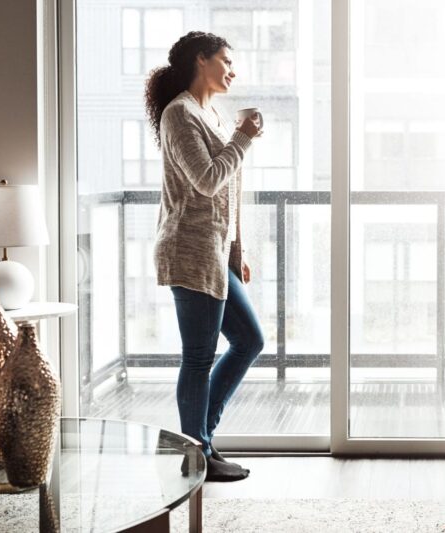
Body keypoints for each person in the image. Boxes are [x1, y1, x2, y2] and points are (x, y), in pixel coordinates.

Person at [145, 31, 264, 482]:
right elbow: (209, 180)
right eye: (226, 61)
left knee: (250, 341)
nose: (232, 70)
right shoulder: (179, 115)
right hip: (190, 252)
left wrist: (237, 251)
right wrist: (244, 136)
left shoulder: (207, 113)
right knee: (198, 357)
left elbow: (228, 195)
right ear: (201, 60)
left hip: (215, 256)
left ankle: (200, 442)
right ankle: (198, 451)